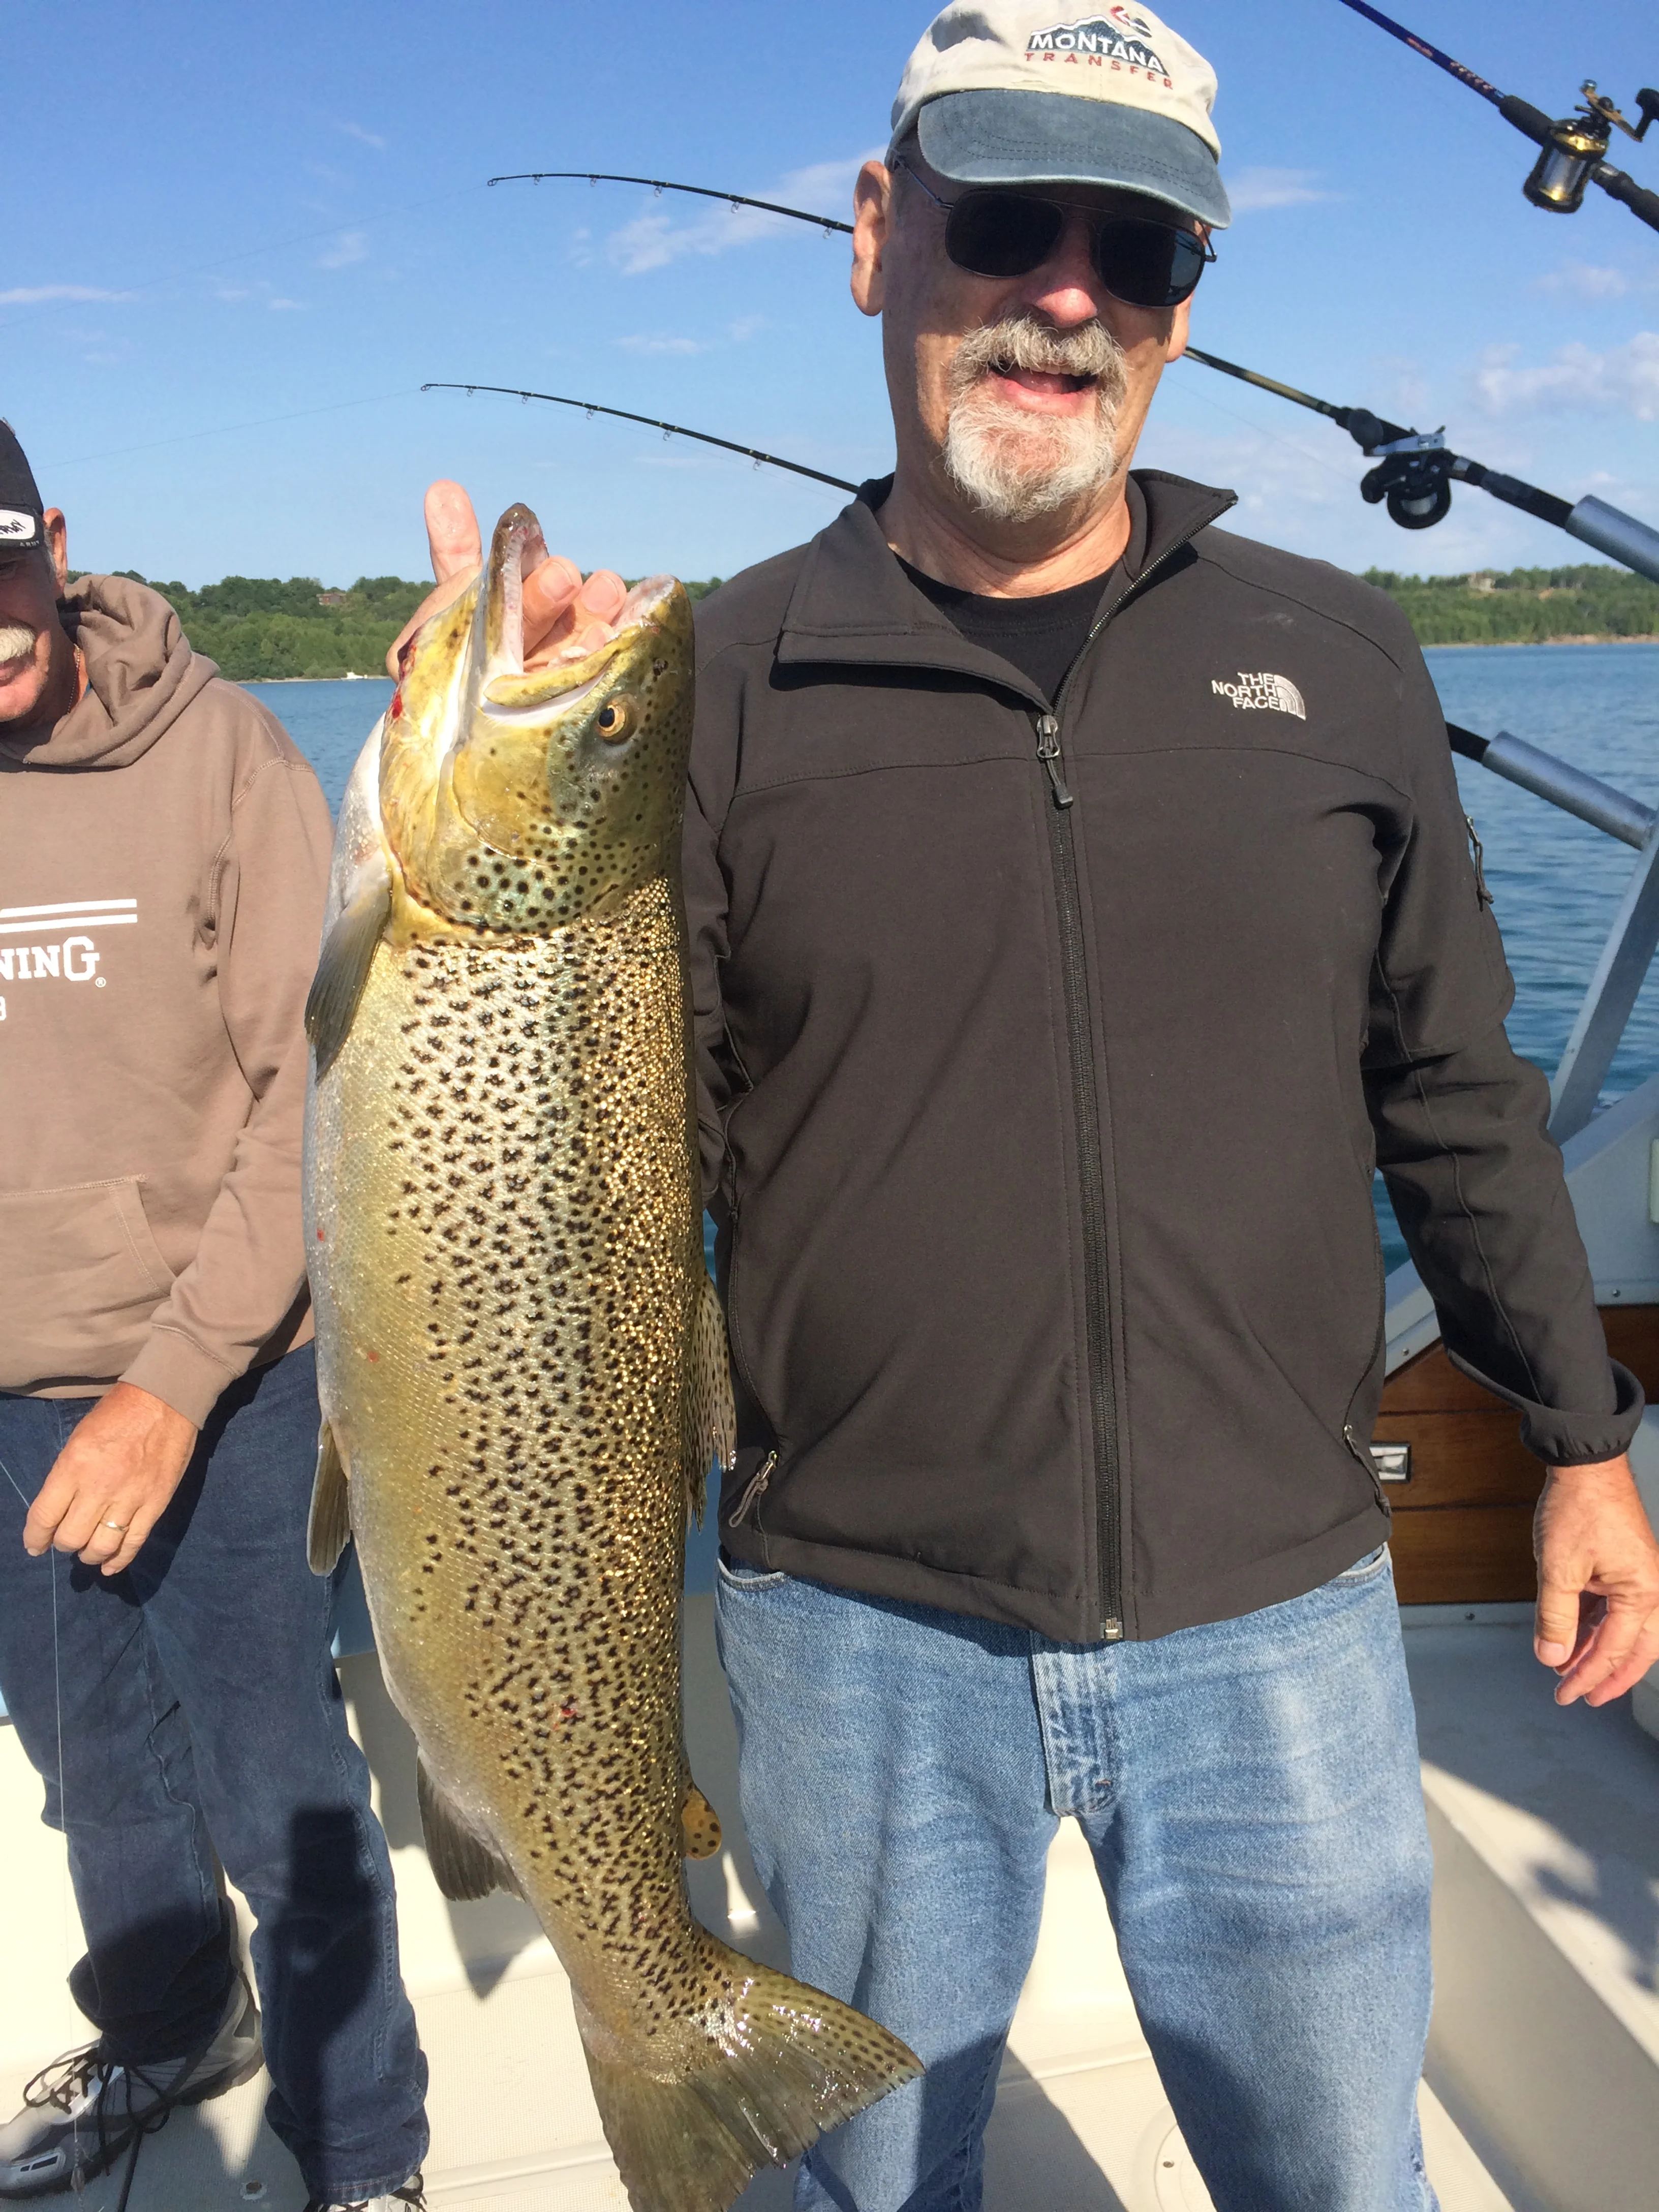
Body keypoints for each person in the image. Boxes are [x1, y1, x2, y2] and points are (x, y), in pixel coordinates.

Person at [404, 5, 1659, 2206]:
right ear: (881, 234)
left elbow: (1455, 1084)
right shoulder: (710, 685)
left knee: (1336, 2175)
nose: (1066, 290)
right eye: (1005, 217)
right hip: (853, 1632)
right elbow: (584, 1176)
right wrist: (507, 787)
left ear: (1182, 305)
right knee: (877, 2180)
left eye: (1139, 246)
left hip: (1278, 1605)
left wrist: (1577, 1442)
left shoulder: (1342, 651)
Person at [0, 422, 429, 2212]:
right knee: (88, 1764)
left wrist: (172, 1386)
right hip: (17, 1395)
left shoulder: (227, 754)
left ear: (54, 540)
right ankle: (180, 2030)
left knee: (276, 1782)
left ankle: (366, 2152)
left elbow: (304, 1104)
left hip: (230, 1373)